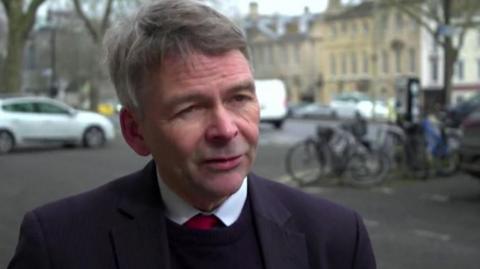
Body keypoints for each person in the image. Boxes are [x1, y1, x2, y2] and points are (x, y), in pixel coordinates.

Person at [8, 1, 376, 268]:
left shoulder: (336, 237)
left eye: (239, 98)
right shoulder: (57, 246)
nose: (226, 129)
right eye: (190, 109)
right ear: (135, 132)